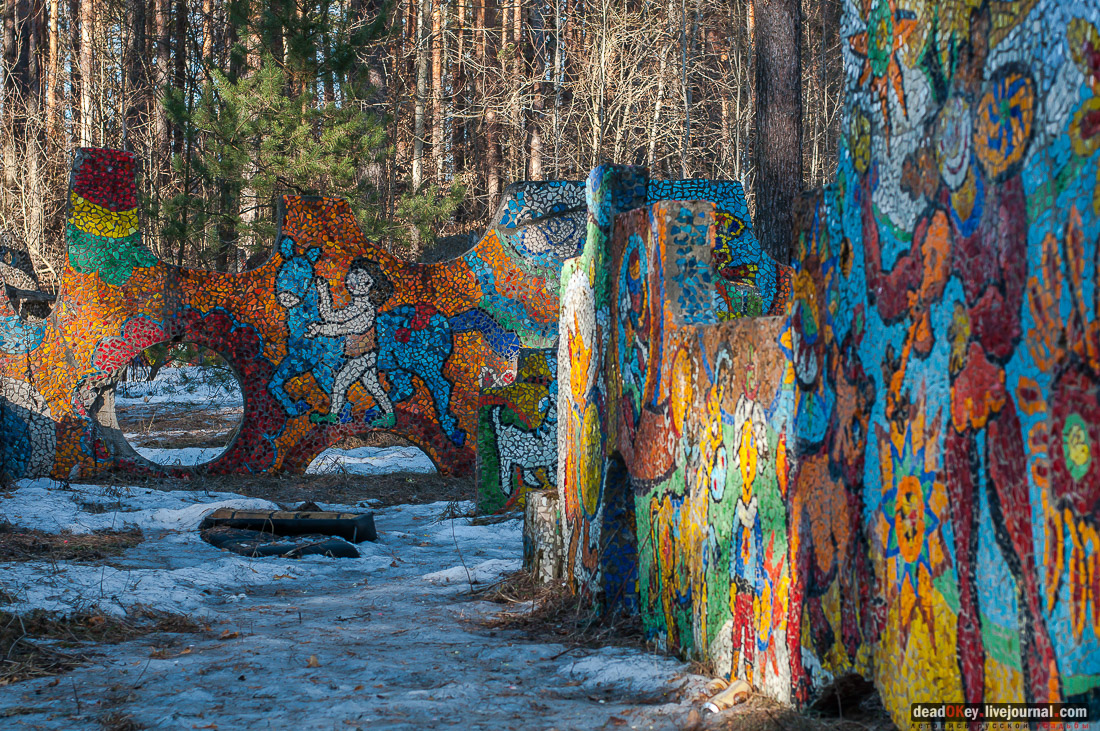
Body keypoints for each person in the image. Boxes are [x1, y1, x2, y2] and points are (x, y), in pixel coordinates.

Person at [306, 257, 396, 427]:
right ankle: (389, 415)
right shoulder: (355, 306)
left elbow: (345, 328)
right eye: (353, 275)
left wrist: (319, 329)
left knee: (341, 381)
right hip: (361, 355)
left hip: (364, 355)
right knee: (373, 386)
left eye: (363, 279)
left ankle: (332, 417)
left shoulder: (368, 311)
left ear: (371, 285)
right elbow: (330, 316)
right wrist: (323, 293)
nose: (354, 281)